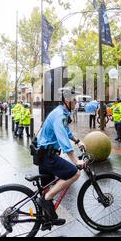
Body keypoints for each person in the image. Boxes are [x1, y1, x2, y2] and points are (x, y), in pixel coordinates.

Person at [36, 88, 86, 228]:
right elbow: (63, 140)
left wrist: (77, 141)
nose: (76, 103)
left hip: (44, 154)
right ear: (67, 100)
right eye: (75, 100)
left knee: (47, 188)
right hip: (47, 155)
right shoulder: (59, 115)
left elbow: (66, 131)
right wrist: (76, 161)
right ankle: (47, 199)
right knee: (75, 173)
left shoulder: (62, 112)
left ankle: (47, 219)